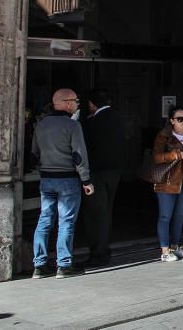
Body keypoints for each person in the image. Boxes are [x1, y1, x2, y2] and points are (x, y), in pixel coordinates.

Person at [30, 89, 94, 279]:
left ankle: (39, 265)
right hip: (67, 179)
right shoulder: (72, 125)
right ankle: (64, 265)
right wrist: (86, 180)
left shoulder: (41, 125)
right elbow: (79, 156)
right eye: (75, 101)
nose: (77, 104)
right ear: (66, 103)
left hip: (47, 179)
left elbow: (34, 155)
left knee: (44, 220)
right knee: (66, 222)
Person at [80, 88, 126, 267]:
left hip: (96, 173)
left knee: (96, 213)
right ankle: (104, 249)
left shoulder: (91, 123)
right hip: (114, 172)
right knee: (107, 210)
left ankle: (98, 253)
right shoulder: (119, 118)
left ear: (92, 104)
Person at [151, 106, 183, 263]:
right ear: (172, 121)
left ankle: (175, 246)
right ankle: (165, 251)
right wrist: (176, 155)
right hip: (167, 183)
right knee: (165, 216)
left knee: (179, 216)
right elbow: (156, 157)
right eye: (180, 119)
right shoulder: (164, 136)